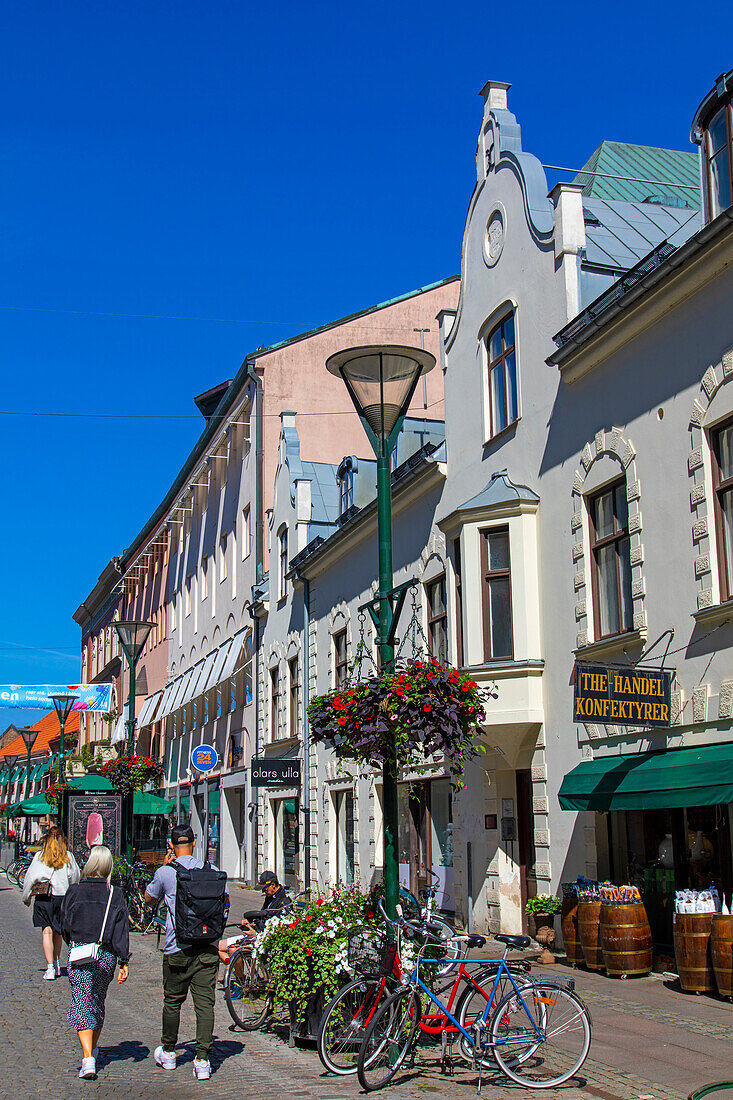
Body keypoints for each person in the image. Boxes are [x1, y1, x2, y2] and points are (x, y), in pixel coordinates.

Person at [145, 824, 228, 1081]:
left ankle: (169, 1052)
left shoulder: (166, 873)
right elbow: (225, 903)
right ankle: (203, 1060)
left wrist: (163, 867)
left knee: (173, 1001)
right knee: (205, 1005)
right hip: (207, 948)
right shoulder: (212, 871)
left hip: (177, 947)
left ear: (171, 845)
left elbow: (149, 899)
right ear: (194, 843)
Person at [60, 845, 130, 1081]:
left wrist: (74, 942)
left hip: (80, 951)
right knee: (97, 1001)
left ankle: (88, 1058)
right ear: (109, 866)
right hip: (106, 954)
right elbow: (121, 930)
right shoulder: (115, 893)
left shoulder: (75, 891)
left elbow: (65, 925)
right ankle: (93, 1049)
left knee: (82, 1001)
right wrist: (124, 960)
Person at [22, 826, 80, 980]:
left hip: (44, 897)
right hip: (62, 897)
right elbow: (75, 878)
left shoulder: (40, 856)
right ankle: (56, 963)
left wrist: (26, 897)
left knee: (46, 931)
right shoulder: (68, 857)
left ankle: (49, 968)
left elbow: (30, 878)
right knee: (58, 932)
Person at [217, 871, 291, 963]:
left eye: (265, 889)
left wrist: (256, 932)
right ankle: (237, 972)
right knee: (218, 946)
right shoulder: (270, 897)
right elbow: (263, 918)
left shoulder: (283, 902)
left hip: (261, 939)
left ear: (273, 885)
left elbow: (275, 928)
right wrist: (251, 924)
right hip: (255, 935)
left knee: (233, 950)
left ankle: (239, 975)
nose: (263, 891)